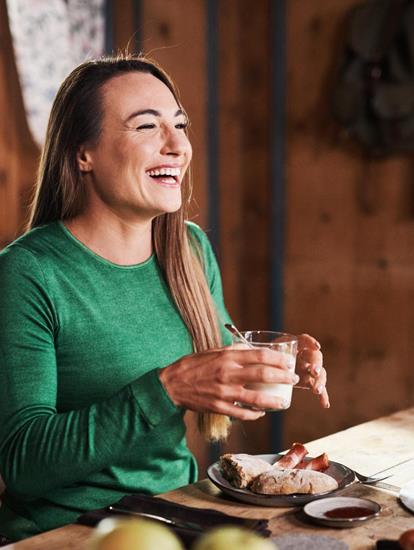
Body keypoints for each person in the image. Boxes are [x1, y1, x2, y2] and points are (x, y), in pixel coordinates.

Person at [0, 54, 328, 542]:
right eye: (147, 127)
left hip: (175, 513)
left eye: (180, 125)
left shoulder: (190, 249)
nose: (178, 145)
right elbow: (22, 463)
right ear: (82, 153)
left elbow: (217, 366)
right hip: (64, 532)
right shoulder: (27, 272)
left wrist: (268, 368)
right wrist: (167, 389)